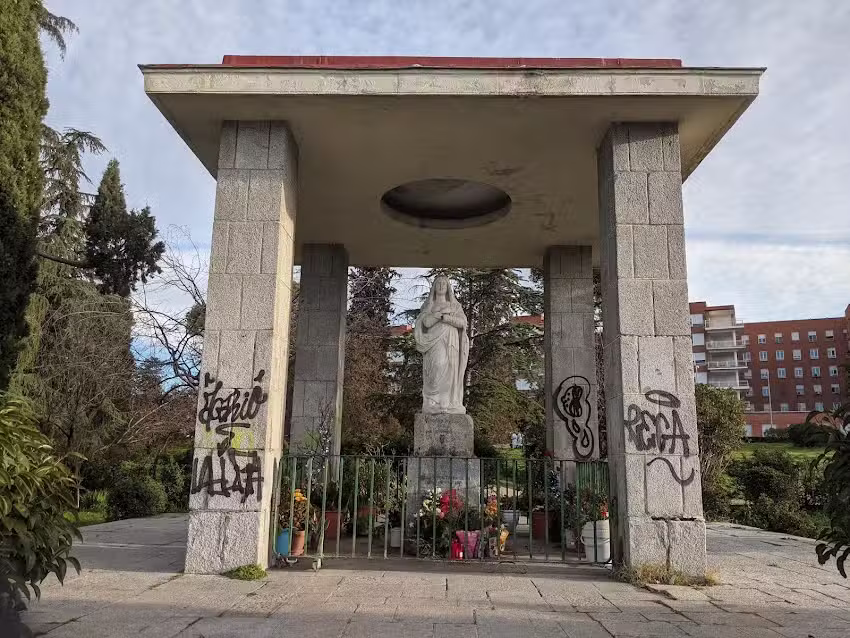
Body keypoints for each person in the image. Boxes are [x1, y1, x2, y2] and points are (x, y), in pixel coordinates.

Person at [414, 275, 469, 414]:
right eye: (438, 283)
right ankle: (432, 401)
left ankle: (447, 403)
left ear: (448, 287)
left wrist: (446, 317)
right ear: (434, 287)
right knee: (436, 366)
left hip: (451, 340)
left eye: (444, 283)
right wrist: (439, 314)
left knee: (450, 370)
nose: (441, 286)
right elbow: (425, 323)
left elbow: (462, 323)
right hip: (433, 341)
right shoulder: (429, 305)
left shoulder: (455, 305)